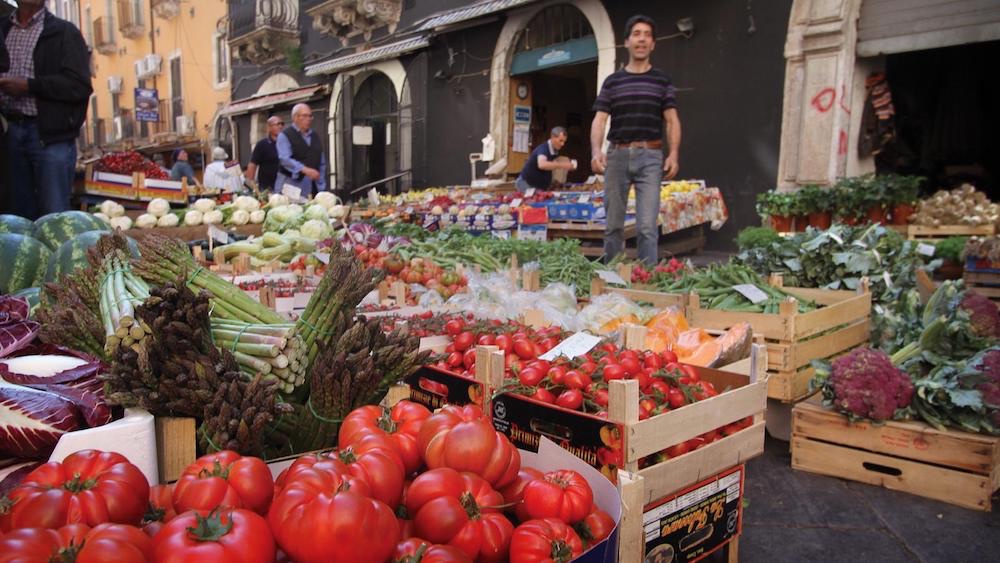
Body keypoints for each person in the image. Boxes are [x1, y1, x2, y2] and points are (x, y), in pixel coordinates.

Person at [591, 14, 682, 267]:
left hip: (650, 157)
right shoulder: (612, 81)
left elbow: (672, 120)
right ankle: (611, 280)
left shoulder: (661, 80)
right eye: (636, 34)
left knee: (646, 227)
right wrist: (596, 151)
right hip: (617, 156)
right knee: (612, 227)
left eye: (647, 35)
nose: (641, 39)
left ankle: (647, 284)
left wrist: (673, 154)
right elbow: (599, 119)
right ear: (627, 42)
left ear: (653, 44)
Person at [0, 0, 92, 219]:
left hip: (50, 138)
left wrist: (29, 85)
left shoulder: (64, 32)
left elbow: (79, 85)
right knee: (15, 217)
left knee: (55, 216)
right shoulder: (3, 29)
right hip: (8, 133)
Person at [277, 103, 326, 196]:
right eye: (305, 116)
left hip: (313, 188)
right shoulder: (285, 135)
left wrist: (321, 184)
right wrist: (305, 170)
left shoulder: (315, 136)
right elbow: (285, 159)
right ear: (295, 117)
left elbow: (322, 162)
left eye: (310, 116)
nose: (308, 119)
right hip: (292, 186)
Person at [515, 126, 577, 192]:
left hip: (539, 186)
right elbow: (542, 164)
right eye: (560, 140)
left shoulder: (554, 150)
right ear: (553, 137)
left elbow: (551, 164)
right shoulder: (544, 149)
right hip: (527, 184)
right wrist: (562, 165)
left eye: (564, 141)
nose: (562, 144)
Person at [246, 115, 282, 191]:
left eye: (282, 124)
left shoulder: (286, 143)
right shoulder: (262, 145)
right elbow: (253, 164)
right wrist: (251, 185)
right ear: (269, 127)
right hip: (267, 188)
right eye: (277, 124)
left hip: (284, 186)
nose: (280, 126)